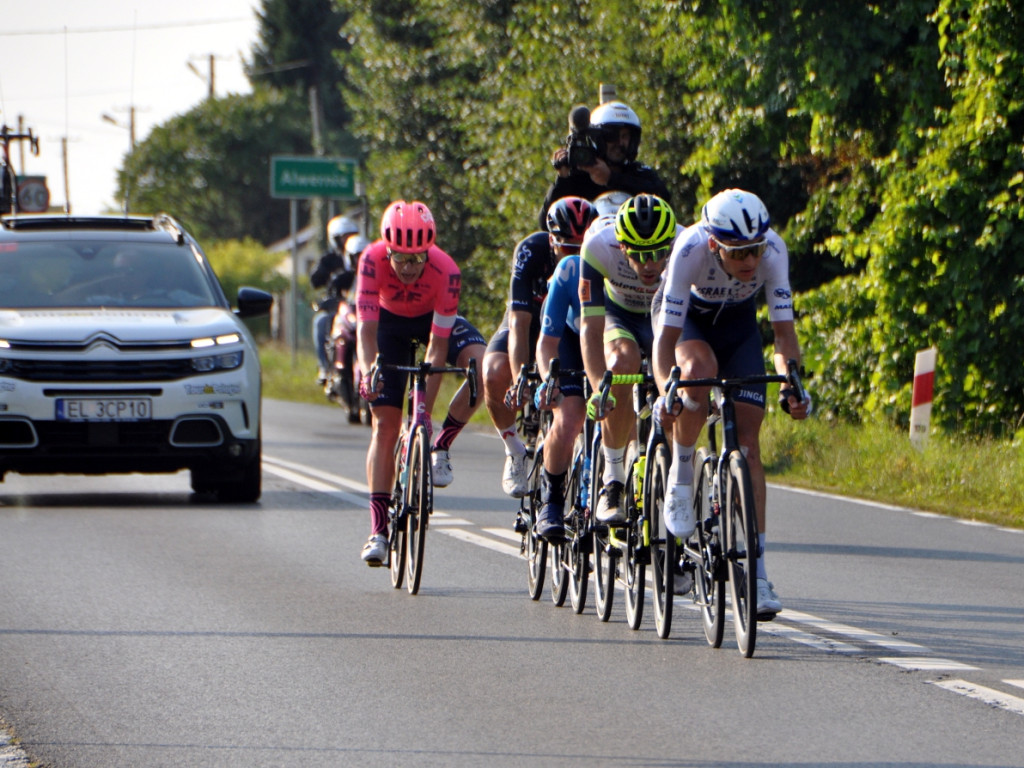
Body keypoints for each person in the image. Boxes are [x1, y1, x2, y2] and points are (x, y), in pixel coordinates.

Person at [652, 188, 811, 617]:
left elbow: (783, 336)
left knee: (749, 443)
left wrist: (793, 384)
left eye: (756, 250)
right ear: (713, 244)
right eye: (739, 252)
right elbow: (665, 341)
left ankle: (757, 573)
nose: (751, 262)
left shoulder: (774, 251)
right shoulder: (688, 251)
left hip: (738, 328)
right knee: (697, 373)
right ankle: (682, 474)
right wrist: (667, 390)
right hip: (689, 325)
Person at [355, 200, 487, 565]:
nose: (410, 268)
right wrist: (369, 371)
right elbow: (366, 330)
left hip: (432, 323)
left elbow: (437, 346)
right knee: (384, 426)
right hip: (388, 326)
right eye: (401, 258)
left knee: (482, 367)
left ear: (430, 251)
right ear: (388, 249)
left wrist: (424, 414)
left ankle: (440, 446)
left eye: (418, 259)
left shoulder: (447, 270)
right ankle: (378, 531)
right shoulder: (370, 260)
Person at [482, 196, 597, 499]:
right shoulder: (532, 251)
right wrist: (521, 376)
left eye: (582, 248)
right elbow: (518, 324)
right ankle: (514, 450)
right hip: (530, 322)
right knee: (494, 372)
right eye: (568, 248)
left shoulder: (599, 259)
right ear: (552, 240)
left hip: (568, 328)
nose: (574, 256)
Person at [579, 193, 680, 526]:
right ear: (622, 247)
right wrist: (599, 389)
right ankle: (613, 480)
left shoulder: (685, 246)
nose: (650, 265)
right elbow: (591, 329)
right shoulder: (597, 247)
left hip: (664, 316)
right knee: (624, 361)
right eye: (639, 255)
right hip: (617, 314)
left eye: (658, 254)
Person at [530, 212, 594, 540]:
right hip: (569, 341)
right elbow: (546, 343)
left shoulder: (635, 272)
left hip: (607, 344)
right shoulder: (569, 269)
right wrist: (548, 381)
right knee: (569, 417)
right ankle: (551, 502)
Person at [538, 100, 672, 231]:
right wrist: (563, 178)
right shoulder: (579, 177)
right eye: (611, 136)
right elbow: (547, 223)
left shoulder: (640, 173)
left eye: (625, 136)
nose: (619, 143)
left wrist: (611, 179)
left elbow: (664, 199)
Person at [311, 215, 360, 384]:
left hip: (360, 307)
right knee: (321, 321)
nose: (348, 240)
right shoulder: (329, 259)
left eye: (351, 235)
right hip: (339, 308)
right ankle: (325, 367)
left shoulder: (362, 254)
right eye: (344, 237)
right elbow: (315, 280)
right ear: (335, 240)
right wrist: (325, 272)